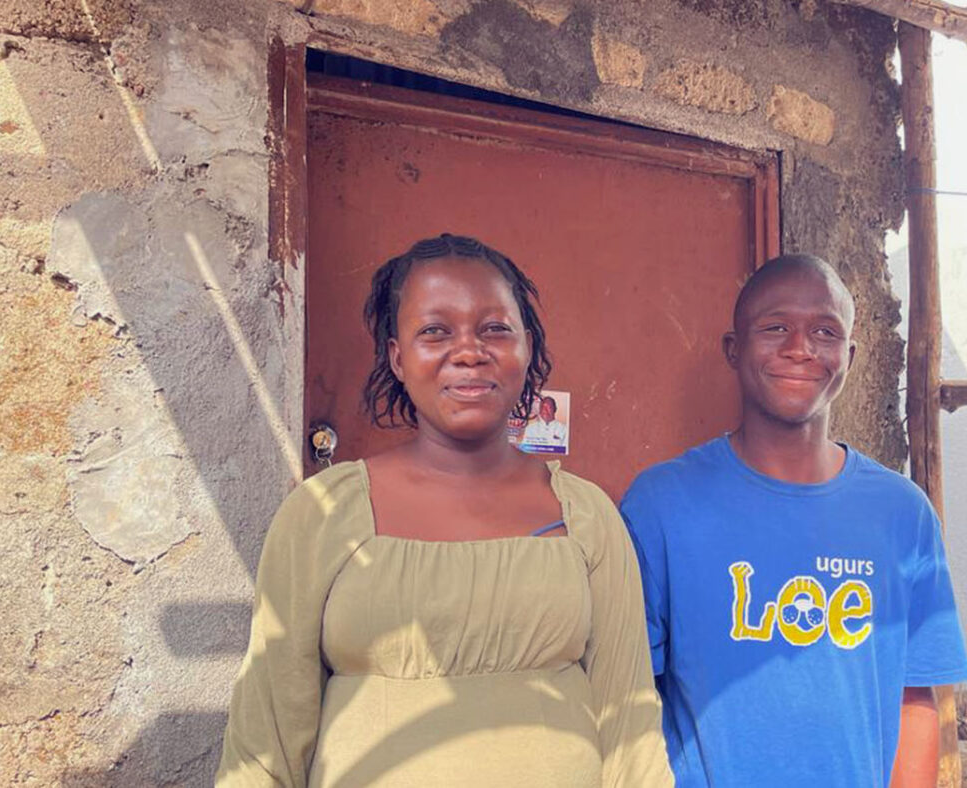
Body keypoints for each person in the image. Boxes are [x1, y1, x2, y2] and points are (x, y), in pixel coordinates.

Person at [217, 234, 671, 787]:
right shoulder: (323, 514)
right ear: (397, 356)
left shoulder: (586, 514)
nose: (469, 350)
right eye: (435, 331)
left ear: (527, 347)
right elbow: (267, 733)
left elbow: (629, 720)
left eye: (495, 328)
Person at [620, 254, 967, 788]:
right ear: (733, 350)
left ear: (849, 356)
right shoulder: (662, 504)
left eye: (824, 331)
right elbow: (628, 695)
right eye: (776, 326)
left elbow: (915, 696)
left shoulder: (902, 513)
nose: (800, 347)